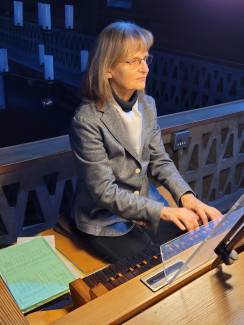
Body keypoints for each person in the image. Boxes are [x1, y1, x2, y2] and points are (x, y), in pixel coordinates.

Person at [69, 21, 222, 263]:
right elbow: (104, 192)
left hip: (147, 201)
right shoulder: (86, 119)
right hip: (105, 217)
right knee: (151, 265)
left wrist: (186, 197)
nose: (145, 69)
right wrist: (163, 211)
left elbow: (160, 160)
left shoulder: (147, 104)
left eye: (145, 59)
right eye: (133, 61)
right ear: (107, 68)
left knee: (190, 243)